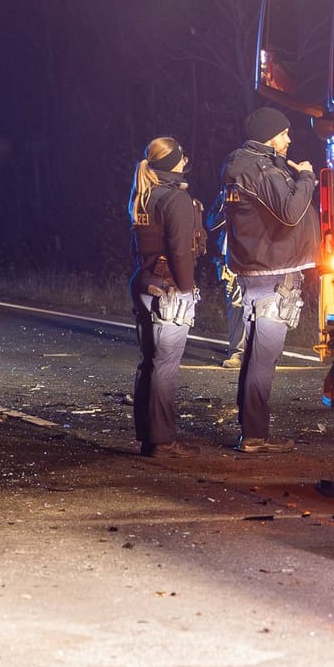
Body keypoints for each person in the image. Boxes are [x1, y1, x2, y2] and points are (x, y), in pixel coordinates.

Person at [220, 106, 319, 453]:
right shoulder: (264, 170)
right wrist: (306, 178)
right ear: (268, 136)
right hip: (273, 274)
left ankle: (251, 431)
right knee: (264, 358)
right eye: (283, 133)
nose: (289, 139)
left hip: (254, 271)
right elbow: (291, 213)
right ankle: (255, 437)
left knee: (254, 357)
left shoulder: (241, 165)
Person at [128, 136, 206, 458]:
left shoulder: (142, 194)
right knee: (166, 366)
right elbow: (179, 251)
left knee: (149, 363)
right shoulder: (175, 200)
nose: (185, 159)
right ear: (174, 161)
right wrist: (187, 290)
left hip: (144, 283)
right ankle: (162, 442)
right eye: (181, 155)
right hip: (169, 288)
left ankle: (149, 436)